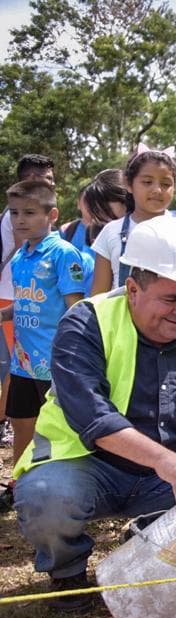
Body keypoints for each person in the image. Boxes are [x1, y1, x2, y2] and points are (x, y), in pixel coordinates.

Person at [12, 215, 176, 611]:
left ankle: (149, 545)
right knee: (47, 499)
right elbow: (94, 416)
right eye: (170, 299)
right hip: (86, 464)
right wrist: (167, 462)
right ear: (132, 288)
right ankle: (67, 573)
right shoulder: (85, 323)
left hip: (168, 469)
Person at [2, 180, 87, 462]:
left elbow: (74, 310)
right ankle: (18, 486)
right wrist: (3, 315)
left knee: (57, 431)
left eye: (29, 212)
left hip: (54, 364)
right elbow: (27, 304)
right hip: (23, 364)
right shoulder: (19, 259)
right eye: (14, 213)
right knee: (22, 423)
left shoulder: (63, 254)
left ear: (52, 215)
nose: (20, 219)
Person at [90, 146, 176, 324]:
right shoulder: (111, 232)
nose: (157, 190)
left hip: (174, 329)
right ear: (129, 184)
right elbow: (99, 295)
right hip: (120, 330)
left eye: (166, 184)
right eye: (147, 182)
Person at [0, 155, 56, 451]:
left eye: (50, 180)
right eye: (43, 179)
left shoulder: (60, 250)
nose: (48, 184)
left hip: (34, 312)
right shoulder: (18, 224)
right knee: (12, 369)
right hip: (13, 299)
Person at [65, 169, 130, 293]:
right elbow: (98, 295)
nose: (101, 216)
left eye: (104, 207)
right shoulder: (105, 234)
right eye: (96, 210)